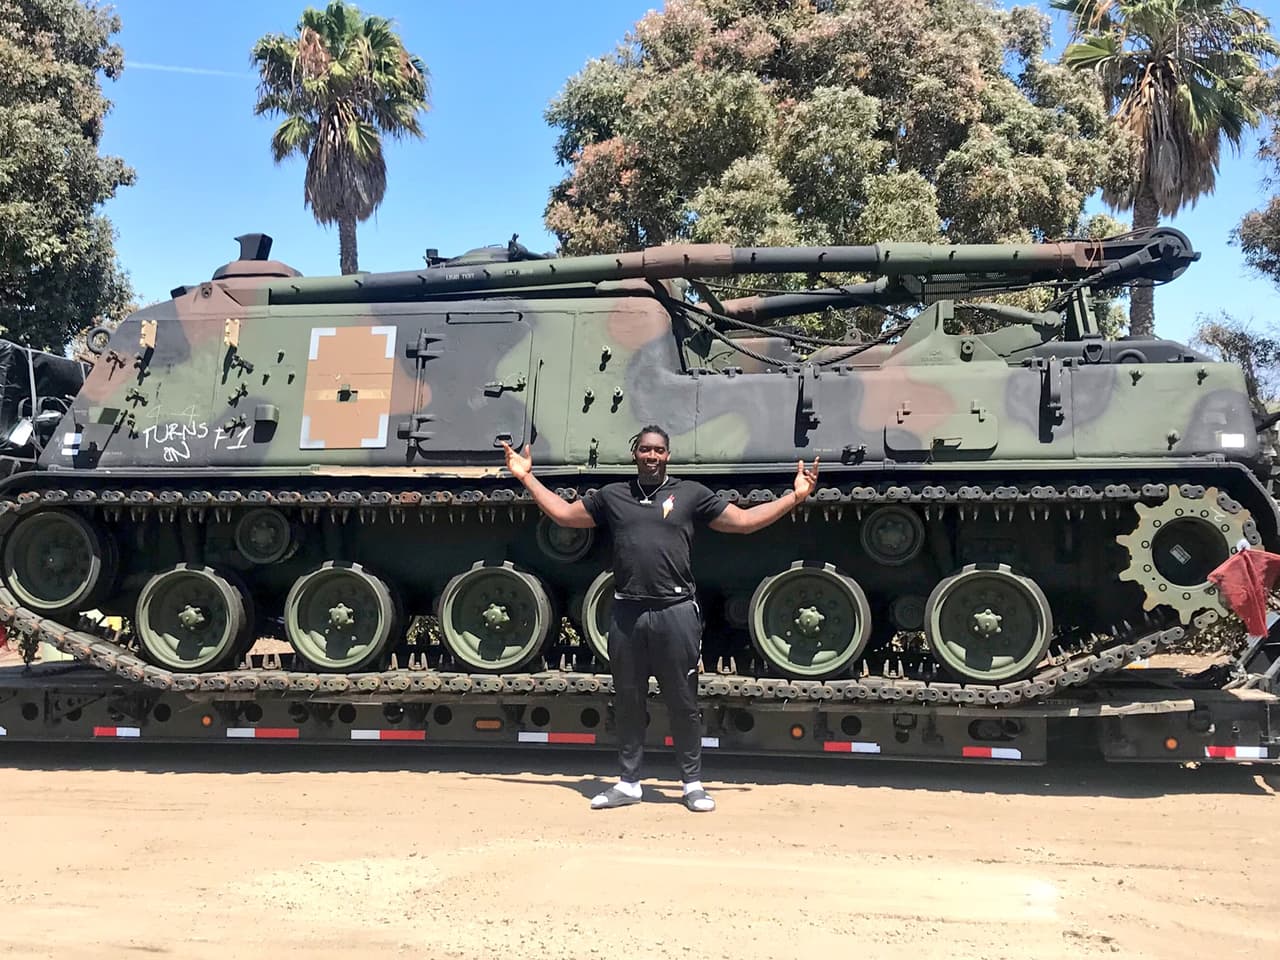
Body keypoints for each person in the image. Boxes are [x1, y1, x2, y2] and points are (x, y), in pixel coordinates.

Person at [503, 426, 818, 813]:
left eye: (659, 450)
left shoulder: (690, 494)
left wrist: (796, 496)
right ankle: (629, 782)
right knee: (629, 701)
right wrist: (526, 476)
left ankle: (691, 784)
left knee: (683, 702)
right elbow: (566, 516)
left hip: (676, 611)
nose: (652, 456)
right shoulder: (613, 496)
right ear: (635, 453)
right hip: (627, 612)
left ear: (668, 455)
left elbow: (745, 521)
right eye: (646, 449)